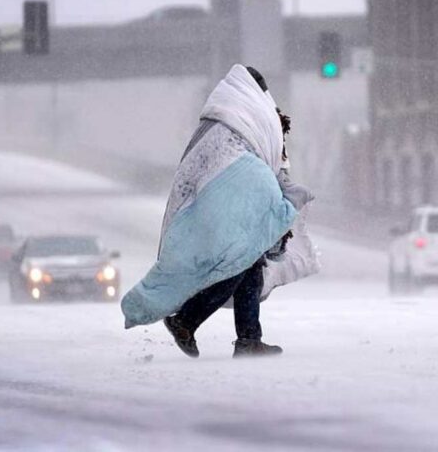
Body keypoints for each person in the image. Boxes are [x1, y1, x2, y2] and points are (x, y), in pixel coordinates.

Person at [121, 64, 315, 358]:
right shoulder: (250, 118)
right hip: (229, 204)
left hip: (218, 204)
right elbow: (264, 161)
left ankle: (249, 338)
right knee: (237, 263)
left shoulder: (218, 122)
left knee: (249, 265)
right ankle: (187, 320)